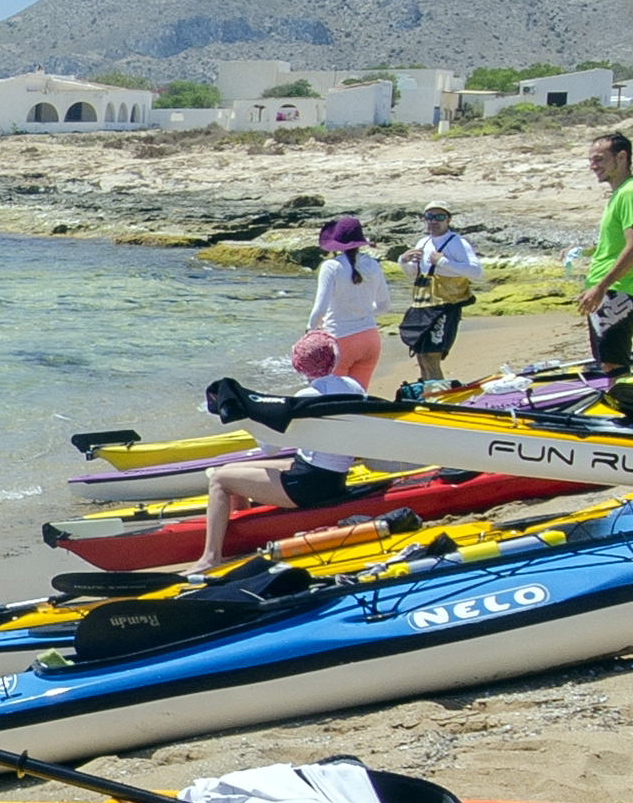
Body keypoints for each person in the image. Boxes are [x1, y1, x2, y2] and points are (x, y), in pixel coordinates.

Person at [184, 425, 375, 575]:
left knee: (219, 480)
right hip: (328, 477)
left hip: (308, 487)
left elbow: (270, 447)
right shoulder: (349, 387)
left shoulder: (307, 396)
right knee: (226, 469)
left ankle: (211, 557)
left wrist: (249, 421)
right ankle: (240, 542)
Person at [582, 131, 633, 377]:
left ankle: (623, 411)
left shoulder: (631, 193)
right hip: (608, 291)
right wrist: (588, 252)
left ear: (621, 157)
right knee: (606, 361)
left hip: (617, 291)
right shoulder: (619, 194)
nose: (594, 166)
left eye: (600, 159)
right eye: (591, 160)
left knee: (614, 365)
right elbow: (617, 243)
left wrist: (601, 287)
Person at [395, 204, 481, 392]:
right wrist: (404, 261)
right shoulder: (422, 243)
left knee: (431, 356)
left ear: (448, 220)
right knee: (421, 356)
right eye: (430, 216)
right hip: (421, 305)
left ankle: (438, 398)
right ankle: (429, 395)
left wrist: (442, 261)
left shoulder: (457, 242)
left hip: (444, 307)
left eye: (440, 217)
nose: (434, 221)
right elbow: (413, 275)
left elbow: (475, 271)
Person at [301, 216, 390, 388]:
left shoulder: (331, 267)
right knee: (359, 394)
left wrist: (310, 331)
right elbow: (384, 306)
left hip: (340, 339)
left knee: (334, 395)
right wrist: (362, 311)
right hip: (370, 339)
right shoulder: (372, 265)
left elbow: (320, 309)